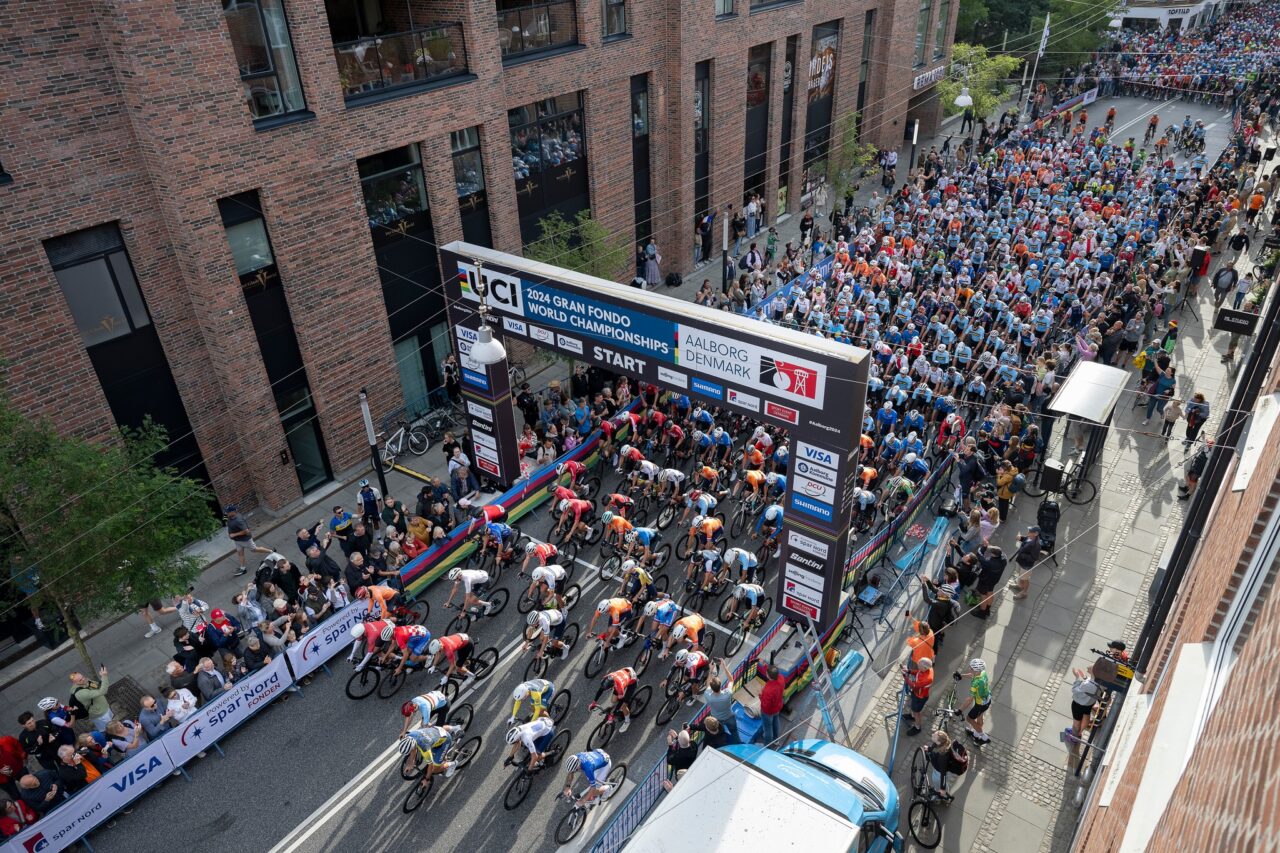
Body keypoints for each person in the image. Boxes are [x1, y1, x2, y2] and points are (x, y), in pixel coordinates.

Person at [225, 505, 272, 577]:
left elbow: (247, 531)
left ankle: (271, 552)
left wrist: (234, 534)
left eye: (228, 512)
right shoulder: (230, 518)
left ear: (233, 512)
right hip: (237, 541)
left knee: (254, 549)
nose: (226, 513)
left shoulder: (238, 520)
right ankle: (243, 569)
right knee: (240, 553)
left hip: (245, 540)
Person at [591, 667, 640, 733]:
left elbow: (621, 701)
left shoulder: (619, 686)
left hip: (632, 681)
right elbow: (601, 689)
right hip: (625, 674)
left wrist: (612, 715)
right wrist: (594, 702)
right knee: (613, 700)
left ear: (613, 685)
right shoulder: (607, 677)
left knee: (623, 706)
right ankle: (617, 708)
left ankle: (627, 721)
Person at [954, 659, 991, 743]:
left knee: (969, 719)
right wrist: (961, 675)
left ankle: (983, 737)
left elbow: (969, 700)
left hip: (980, 704)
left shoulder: (976, 683)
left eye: (971, 668)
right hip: (987, 700)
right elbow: (972, 675)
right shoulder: (982, 673)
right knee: (979, 716)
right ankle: (976, 734)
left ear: (975, 670)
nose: (969, 669)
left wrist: (960, 710)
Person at [1065, 667, 1102, 749]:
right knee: (1086, 714)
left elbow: (1075, 690)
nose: (1087, 668)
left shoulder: (1087, 685)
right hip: (1089, 703)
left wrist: (1077, 677)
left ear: (1093, 672)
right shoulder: (1100, 682)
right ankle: (1080, 732)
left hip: (1079, 704)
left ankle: (1074, 737)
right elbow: (1092, 683)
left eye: (1089, 669)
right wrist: (1085, 677)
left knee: (1076, 722)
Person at [69, 666, 112, 730]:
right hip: (100, 714)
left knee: (111, 723)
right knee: (108, 729)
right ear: (74, 683)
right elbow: (103, 691)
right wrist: (104, 676)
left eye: (82, 677)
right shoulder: (80, 693)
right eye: (80, 680)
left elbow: (97, 686)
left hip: (104, 708)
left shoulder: (85, 681)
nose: (83, 679)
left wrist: (101, 680)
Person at [1008, 527, 1042, 600]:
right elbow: (1025, 539)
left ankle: (1024, 592)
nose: (1028, 533)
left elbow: (1034, 558)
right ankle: (1019, 585)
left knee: (1025, 579)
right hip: (1020, 561)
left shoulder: (1037, 545)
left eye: (1030, 532)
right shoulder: (1030, 537)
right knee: (1020, 575)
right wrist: (1020, 538)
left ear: (1036, 534)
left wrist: (1022, 555)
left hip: (1026, 565)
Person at [903, 657, 934, 737]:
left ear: (924, 667)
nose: (917, 666)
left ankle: (917, 727)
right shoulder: (928, 669)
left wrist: (906, 677)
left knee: (917, 713)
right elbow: (918, 672)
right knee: (914, 709)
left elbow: (914, 686)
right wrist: (909, 671)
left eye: (919, 665)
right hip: (917, 694)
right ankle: (912, 716)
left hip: (920, 697)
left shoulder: (927, 679)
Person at [757, 664, 785, 746]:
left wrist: (760, 695)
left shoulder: (768, 690)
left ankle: (767, 745)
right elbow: (773, 672)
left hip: (768, 712)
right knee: (776, 722)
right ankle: (776, 740)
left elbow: (765, 705)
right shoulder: (781, 678)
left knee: (767, 729)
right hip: (777, 707)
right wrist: (765, 665)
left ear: (768, 676)